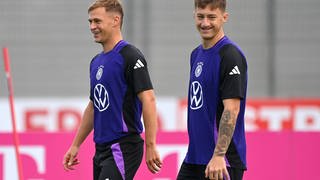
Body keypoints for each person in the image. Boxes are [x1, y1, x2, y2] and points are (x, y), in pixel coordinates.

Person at [62, 0, 162, 179]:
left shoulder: (130, 56)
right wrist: (75, 145)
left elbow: (149, 99)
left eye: (97, 21)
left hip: (123, 146)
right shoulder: (96, 62)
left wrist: (151, 145)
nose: (92, 26)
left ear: (115, 20)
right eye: (90, 22)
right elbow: (94, 106)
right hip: (100, 149)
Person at [177, 0, 248, 180]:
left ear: (224, 18)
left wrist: (219, 155)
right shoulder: (195, 54)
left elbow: (231, 109)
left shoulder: (230, 55)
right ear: (194, 16)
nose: (205, 23)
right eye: (200, 16)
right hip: (194, 159)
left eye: (211, 17)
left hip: (222, 163)